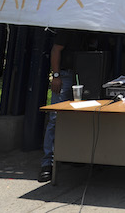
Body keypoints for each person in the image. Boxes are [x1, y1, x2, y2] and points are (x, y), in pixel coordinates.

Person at [38, 29, 93, 183]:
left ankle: (71, 155)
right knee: (56, 116)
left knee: (77, 116)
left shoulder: (88, 31)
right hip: (66, 75)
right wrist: (56, 75)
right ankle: (47, 163)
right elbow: (56, 49)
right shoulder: (69, 28)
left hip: (82, 75)